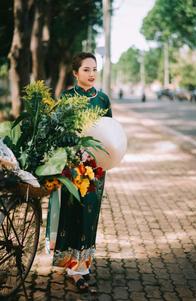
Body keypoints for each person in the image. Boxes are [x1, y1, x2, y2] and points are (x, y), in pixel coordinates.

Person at [46, 52, 112, 293]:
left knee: (89, 216)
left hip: (97, 169)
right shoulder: (66, 98)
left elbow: (110, 132)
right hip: (73, 166)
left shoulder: (103, 100)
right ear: (75, 73)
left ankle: (83, 265)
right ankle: (76, 270)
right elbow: (60, 132)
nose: (92, 73)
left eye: (94, 69)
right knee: (73, 214)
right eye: (86, 69)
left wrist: (104, 158)